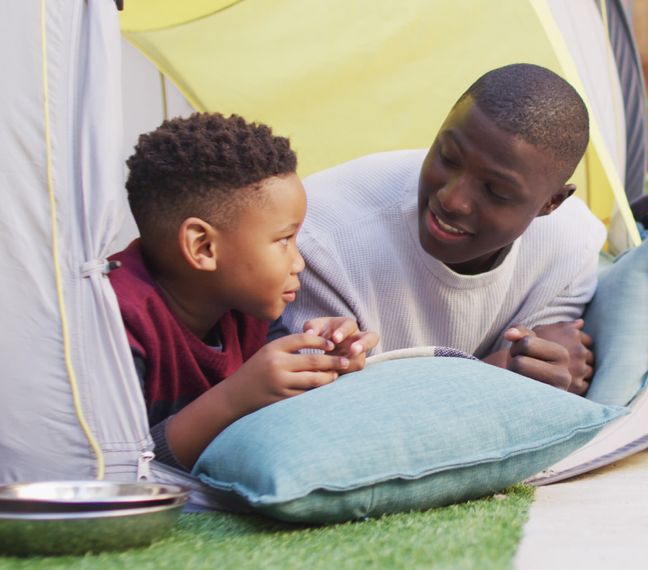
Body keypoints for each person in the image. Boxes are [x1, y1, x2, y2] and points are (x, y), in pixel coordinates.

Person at [280, 63, 605, 395]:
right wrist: (494, 375)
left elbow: (547, 369)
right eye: (448, 157)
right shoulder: (319, 242)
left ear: (551, 203)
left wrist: (548, 369)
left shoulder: (571, 247)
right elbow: (330, 415)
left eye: (495, 191)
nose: (451, 199)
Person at [110, 113, 379, 470]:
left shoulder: (247, 307)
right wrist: (235, 398)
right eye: (284, 239)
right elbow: (117, 467)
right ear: (203, 247)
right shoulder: (114, 322)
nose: (298, 262)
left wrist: (327, 362)